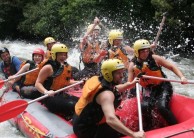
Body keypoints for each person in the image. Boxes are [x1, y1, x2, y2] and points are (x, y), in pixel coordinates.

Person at [73, 59, 145, 138]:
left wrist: (130, 84)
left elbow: (115, 88)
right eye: (118, 73)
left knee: (118, 119)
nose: (122, 76)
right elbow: (110, 119)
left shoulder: (99, 79)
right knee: (120, 126)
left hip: (79, 122)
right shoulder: (106, 95)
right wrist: (133, 134)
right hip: (86, 131)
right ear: (108, 74)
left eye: (122, 72)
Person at [127, 39, 188, 130]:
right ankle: (150, 128)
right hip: (148, 89)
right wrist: (135, 81)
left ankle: (177, 127)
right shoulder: (132, 65)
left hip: (163, 86)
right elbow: (129, 83)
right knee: (144, 107)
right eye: (143, 51)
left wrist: (182, 77)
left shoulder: (155, 58)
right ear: (136, 52)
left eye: (147, 50)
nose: (146, 53)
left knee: (162, 107)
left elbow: (171, 66)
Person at [35, 43, 79, 120]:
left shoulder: (65, 66)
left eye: (65, 55)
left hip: (61, 94)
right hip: (49, 97)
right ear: (54, 55)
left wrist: (79, 82)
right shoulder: (48, 67)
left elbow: (65, 82)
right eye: (60, 55)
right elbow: (37, 83)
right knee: (74, 105)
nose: (63, 57)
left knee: (83, 103)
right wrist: (46, 92)